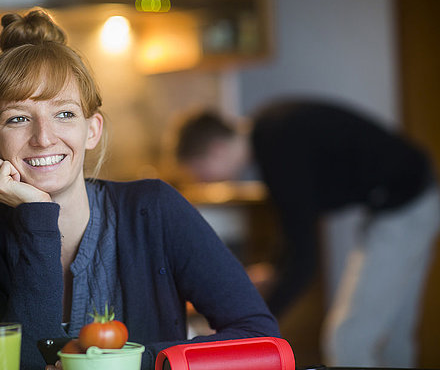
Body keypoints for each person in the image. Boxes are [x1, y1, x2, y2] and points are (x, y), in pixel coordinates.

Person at [0, 8, 280, 370]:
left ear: (92, 130)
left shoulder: (155, 209)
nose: (44, 137)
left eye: (64, 113)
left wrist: (134, 362)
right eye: (18, 118)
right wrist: (36, 215)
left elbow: (261, 338)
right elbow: (20, 366)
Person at [176, 98, 440, 367]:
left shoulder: (277, 145)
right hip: (409, 199)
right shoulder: (270, 131)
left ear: (216, 149)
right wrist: (273, 268)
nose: (203, 181)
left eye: (199, 170)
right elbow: (295, 222)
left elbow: (305, 261)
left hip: (404, 209)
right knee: (392, 334)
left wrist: (250, 325)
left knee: (348, 340)